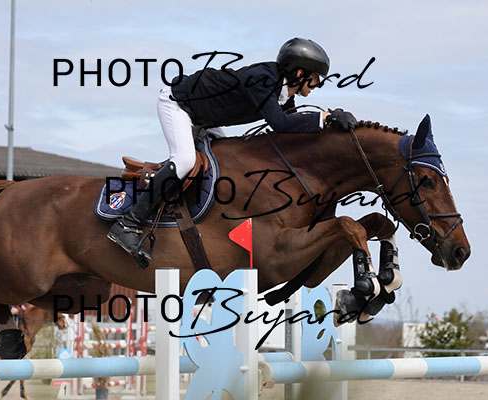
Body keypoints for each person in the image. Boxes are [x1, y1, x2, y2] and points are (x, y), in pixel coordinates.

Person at [107, 37, 357, 268]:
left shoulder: (281, 92)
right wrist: (323, 118)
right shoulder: (262, 79)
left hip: (204, 118)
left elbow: (292, 127)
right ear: (300, 74)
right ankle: (128, 223)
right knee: (184, 161)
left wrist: (330, 122)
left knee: (225, 162)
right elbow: (280, 124)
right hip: (179, 105)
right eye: (316, 78)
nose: (317, 85)